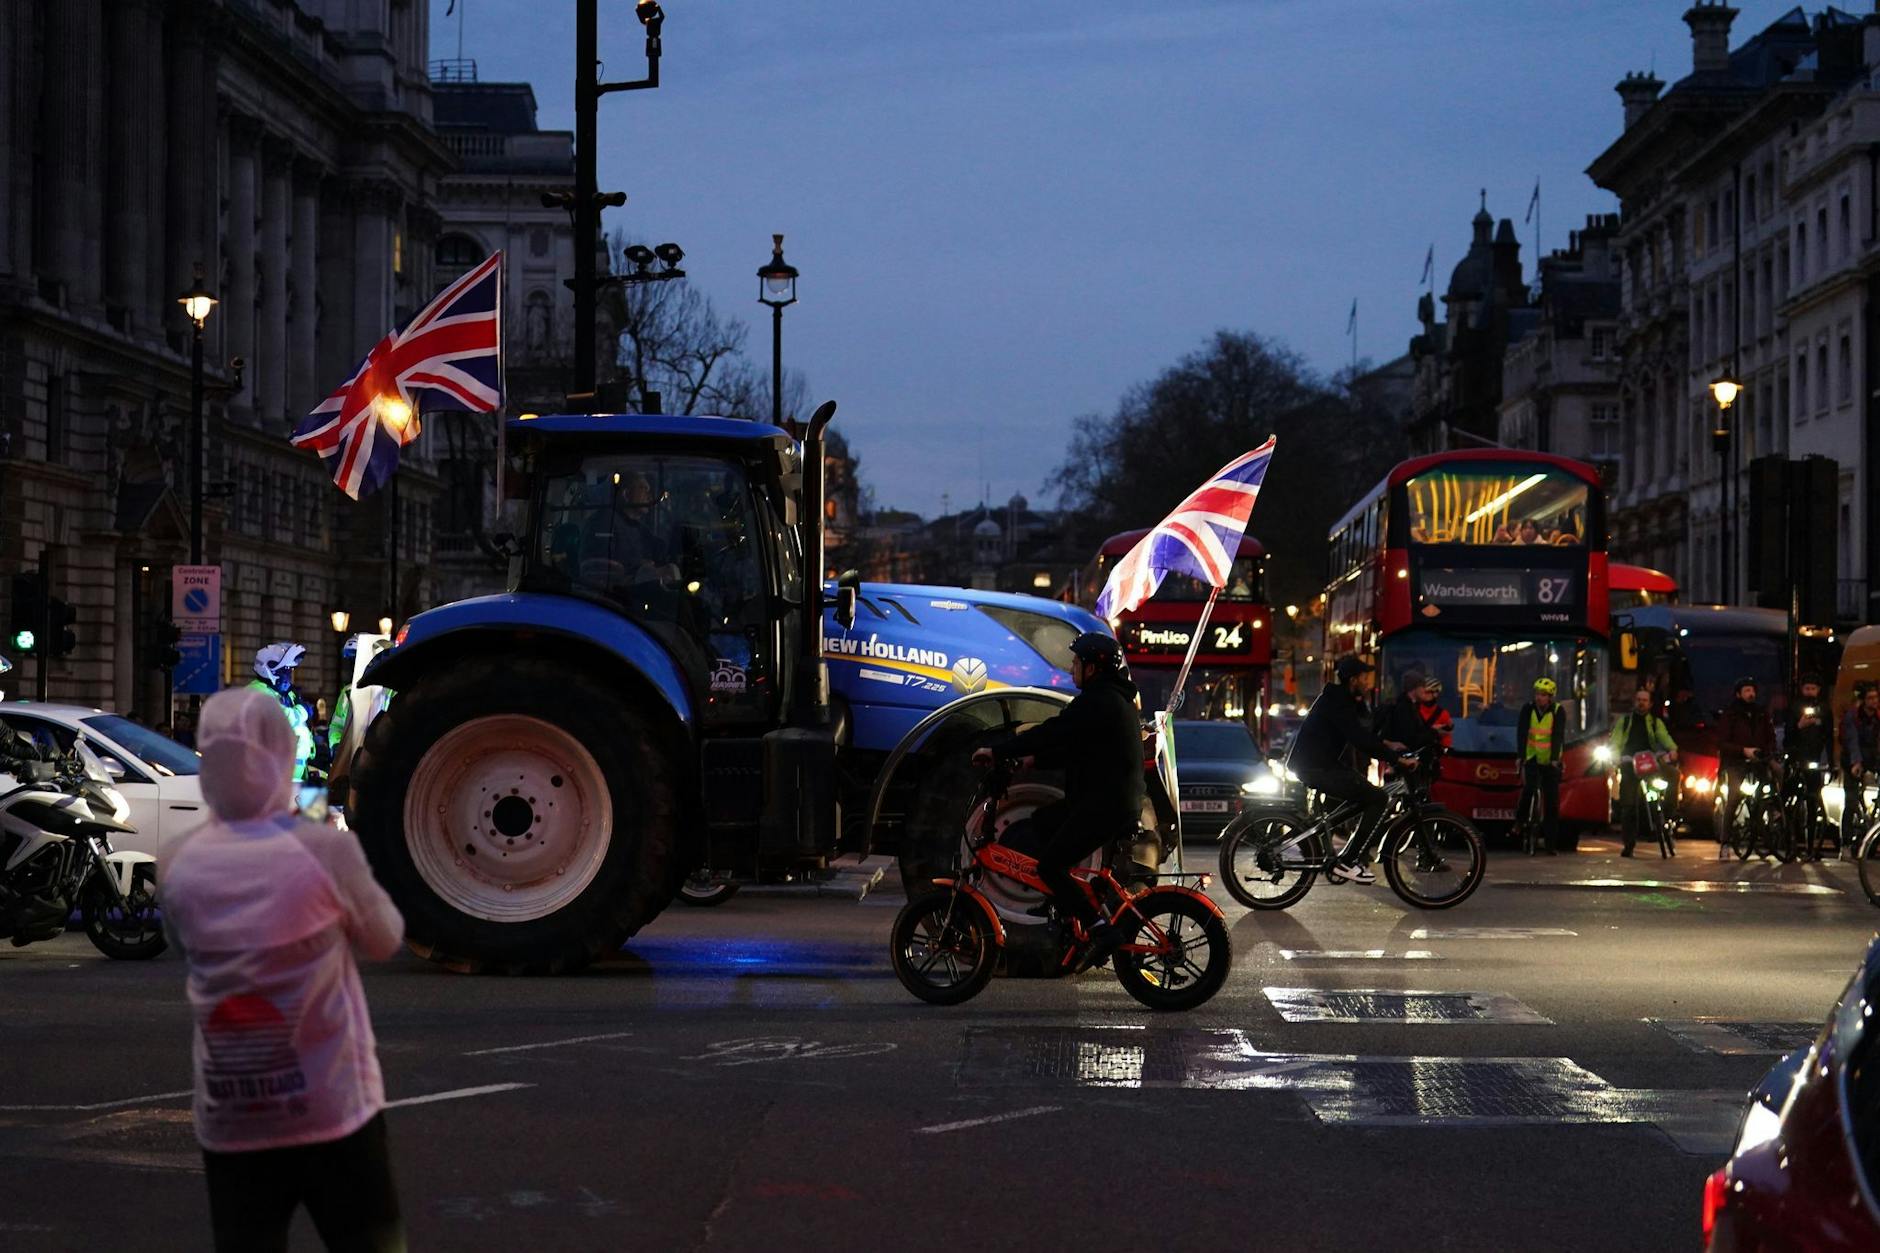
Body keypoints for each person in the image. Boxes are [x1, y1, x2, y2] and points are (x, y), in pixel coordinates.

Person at [157, 686, 405, 1252]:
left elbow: (183, 945)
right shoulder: (323, 851)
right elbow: (385, 938)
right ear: (280, 757)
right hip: (333, 1110)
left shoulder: (177, 859)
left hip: (232, 1119)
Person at [971, 632, 1144, 967]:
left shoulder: (1098, 701)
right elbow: (1078, 749)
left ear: (1094, 667)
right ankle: (1063, 903)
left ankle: (1098, 927)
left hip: (1104, 805)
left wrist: (997, 750)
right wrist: (1033, 761)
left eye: (1078, 662)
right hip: (1105, 800)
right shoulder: (1110, 700)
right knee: (1041, 822)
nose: (1072, 668)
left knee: (1050, 866)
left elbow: (1053, 732)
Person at [1284, 655, 1418, 885]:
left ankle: (1343, 856)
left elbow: (1360, 733)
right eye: (1365, 678)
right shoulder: (1338, 702)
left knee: (1363, 796)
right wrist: (1396, 758)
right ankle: (1347, 861)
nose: (1368, 683)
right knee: (1378, 798)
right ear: (1353, 680)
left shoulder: (1341, 700)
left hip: (1319, 764)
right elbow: (1358, 739)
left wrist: (1388, 745)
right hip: (1316, 767)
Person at [1609, 686, 1677, 857]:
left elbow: (1664, 737)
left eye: (1645, 700)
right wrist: (1616, 757)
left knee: (1674, 775)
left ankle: (1669, 813)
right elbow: (1615, 742)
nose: (1641, 703)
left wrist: (1672, 749)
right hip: (1629, 765)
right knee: (1628, 806)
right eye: (1639, 700)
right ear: (1635, 702)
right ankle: (1629, 845)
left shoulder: (1655, 722)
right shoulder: (1624, 722)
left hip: (1651, 763)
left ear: (1650, 704)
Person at [1717, 676, 1777, 840]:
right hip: (1736, 762)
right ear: (1738, 694)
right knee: (1734, 797)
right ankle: (1725, 841)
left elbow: (1770, 736)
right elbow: (1722, 742)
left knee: (1771, 786)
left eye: (1753, 690)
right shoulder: (1730, 714)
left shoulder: (1761, 713)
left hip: (1758, 760)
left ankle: (1771, 816)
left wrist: (1768, 751)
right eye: (1747, 691)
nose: (1751, 694)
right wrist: (1743, 751)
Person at [249, 643, 316, 784]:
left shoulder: (285, 694)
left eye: (289, 671)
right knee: (313, 803)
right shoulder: (256, 692)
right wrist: (303, 710)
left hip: (297, 771)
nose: (288, 676)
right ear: (268, 669)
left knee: (316, 802)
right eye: (284, 671)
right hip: (272, 775)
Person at [1515, 677, 1565, 854]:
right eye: (1537, 694)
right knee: (1529, 788)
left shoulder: (1558, 711)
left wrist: (1554, 759)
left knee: (1552, 803)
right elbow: (1521, 733)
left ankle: (1550, 844)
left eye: (1543, 695)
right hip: (1532, 757)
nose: (1539, 698)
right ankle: (1520, 822)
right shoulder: (1527, 710)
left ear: (1550, 697)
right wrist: (1520, 756)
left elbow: (1558, 735)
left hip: (1550, 761)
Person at [1379, 669, 1452, 768]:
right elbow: (1411, 739)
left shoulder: (1412, 706)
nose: (1424, 690)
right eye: (1422, 686)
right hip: (1402, 763)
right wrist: (1435, 732)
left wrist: (1434, 729)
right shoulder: (1403, 709)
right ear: (1414, 689)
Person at [1841, 683, 1880, 848]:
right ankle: (1846, 841)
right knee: (1850, 800)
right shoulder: (1853, 716)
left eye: (1876, 698)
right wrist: (1856, 762)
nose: (1874, 701)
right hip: (1852, 757)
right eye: (1870, 698)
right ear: (1863, 700)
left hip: (1873, 757)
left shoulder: (1878, 716)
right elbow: (1852, 740)